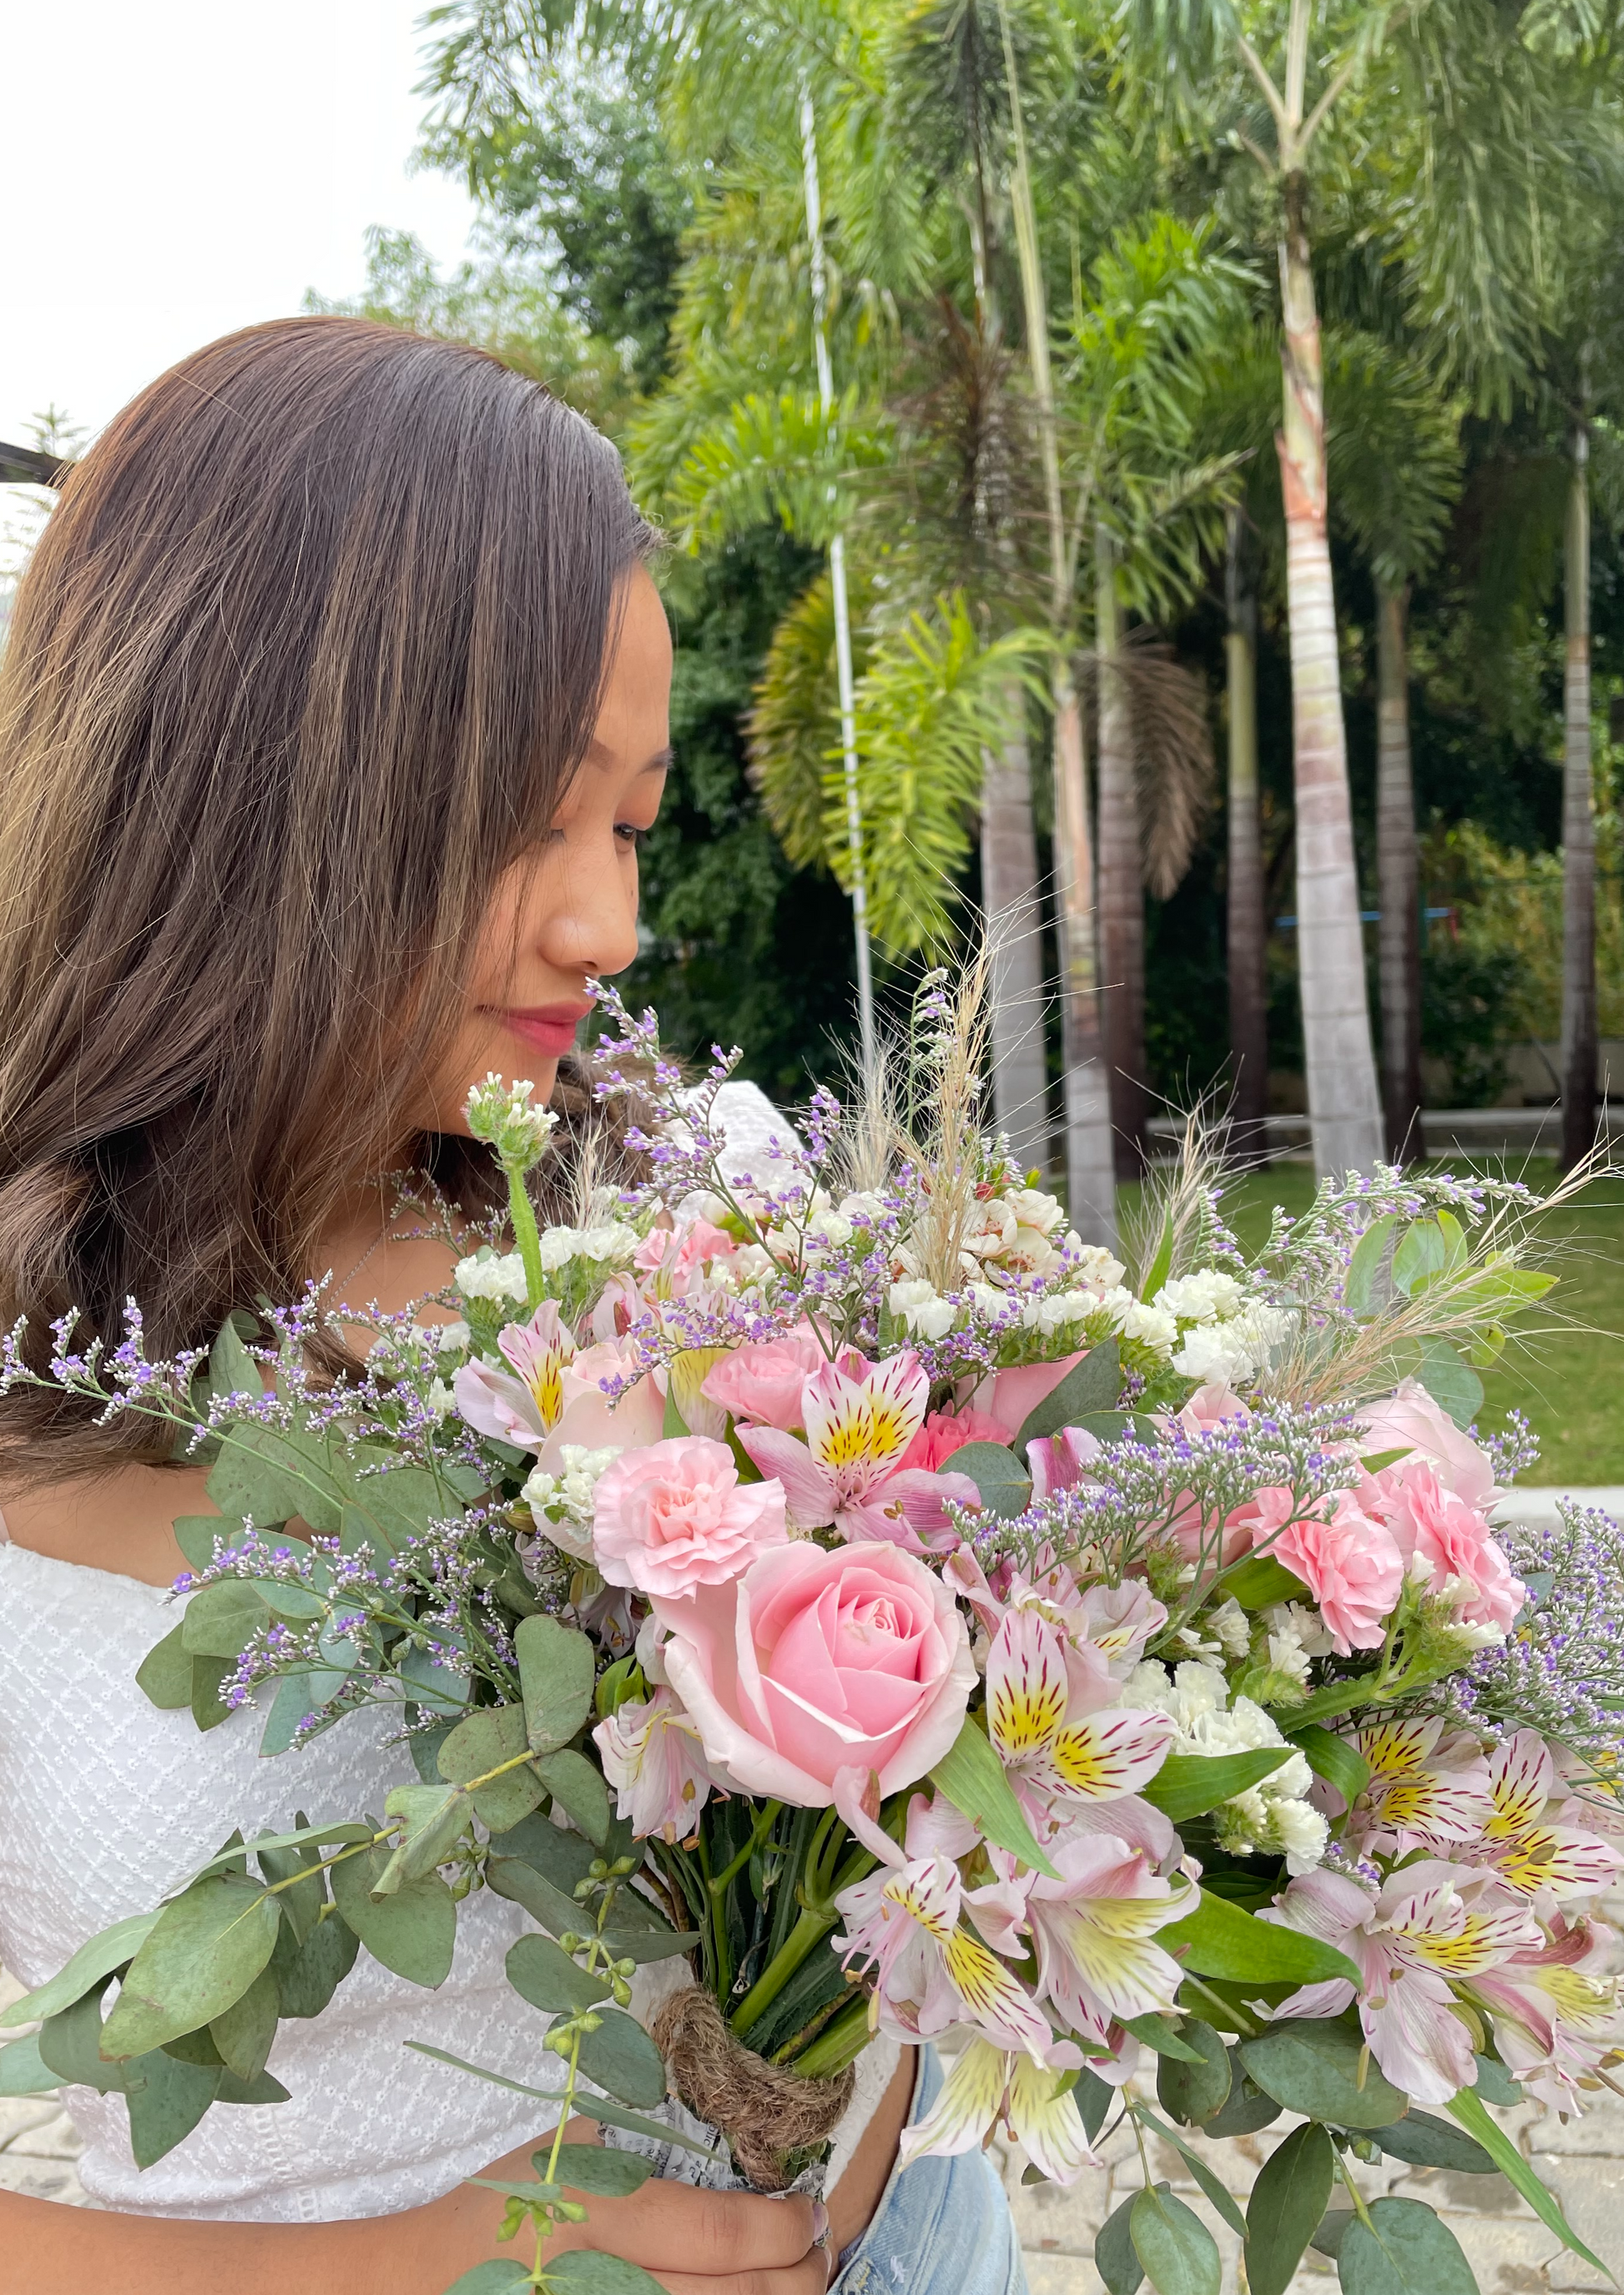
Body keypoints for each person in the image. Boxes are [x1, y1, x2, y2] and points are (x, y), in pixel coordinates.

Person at [0, 319, 1026, 2295]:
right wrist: (477, 2252)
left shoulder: (718, 1214)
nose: (611, 926)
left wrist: (824, 2144)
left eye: (628, 821)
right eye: (528, 816)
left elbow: (899, 1857)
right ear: (245, 786)